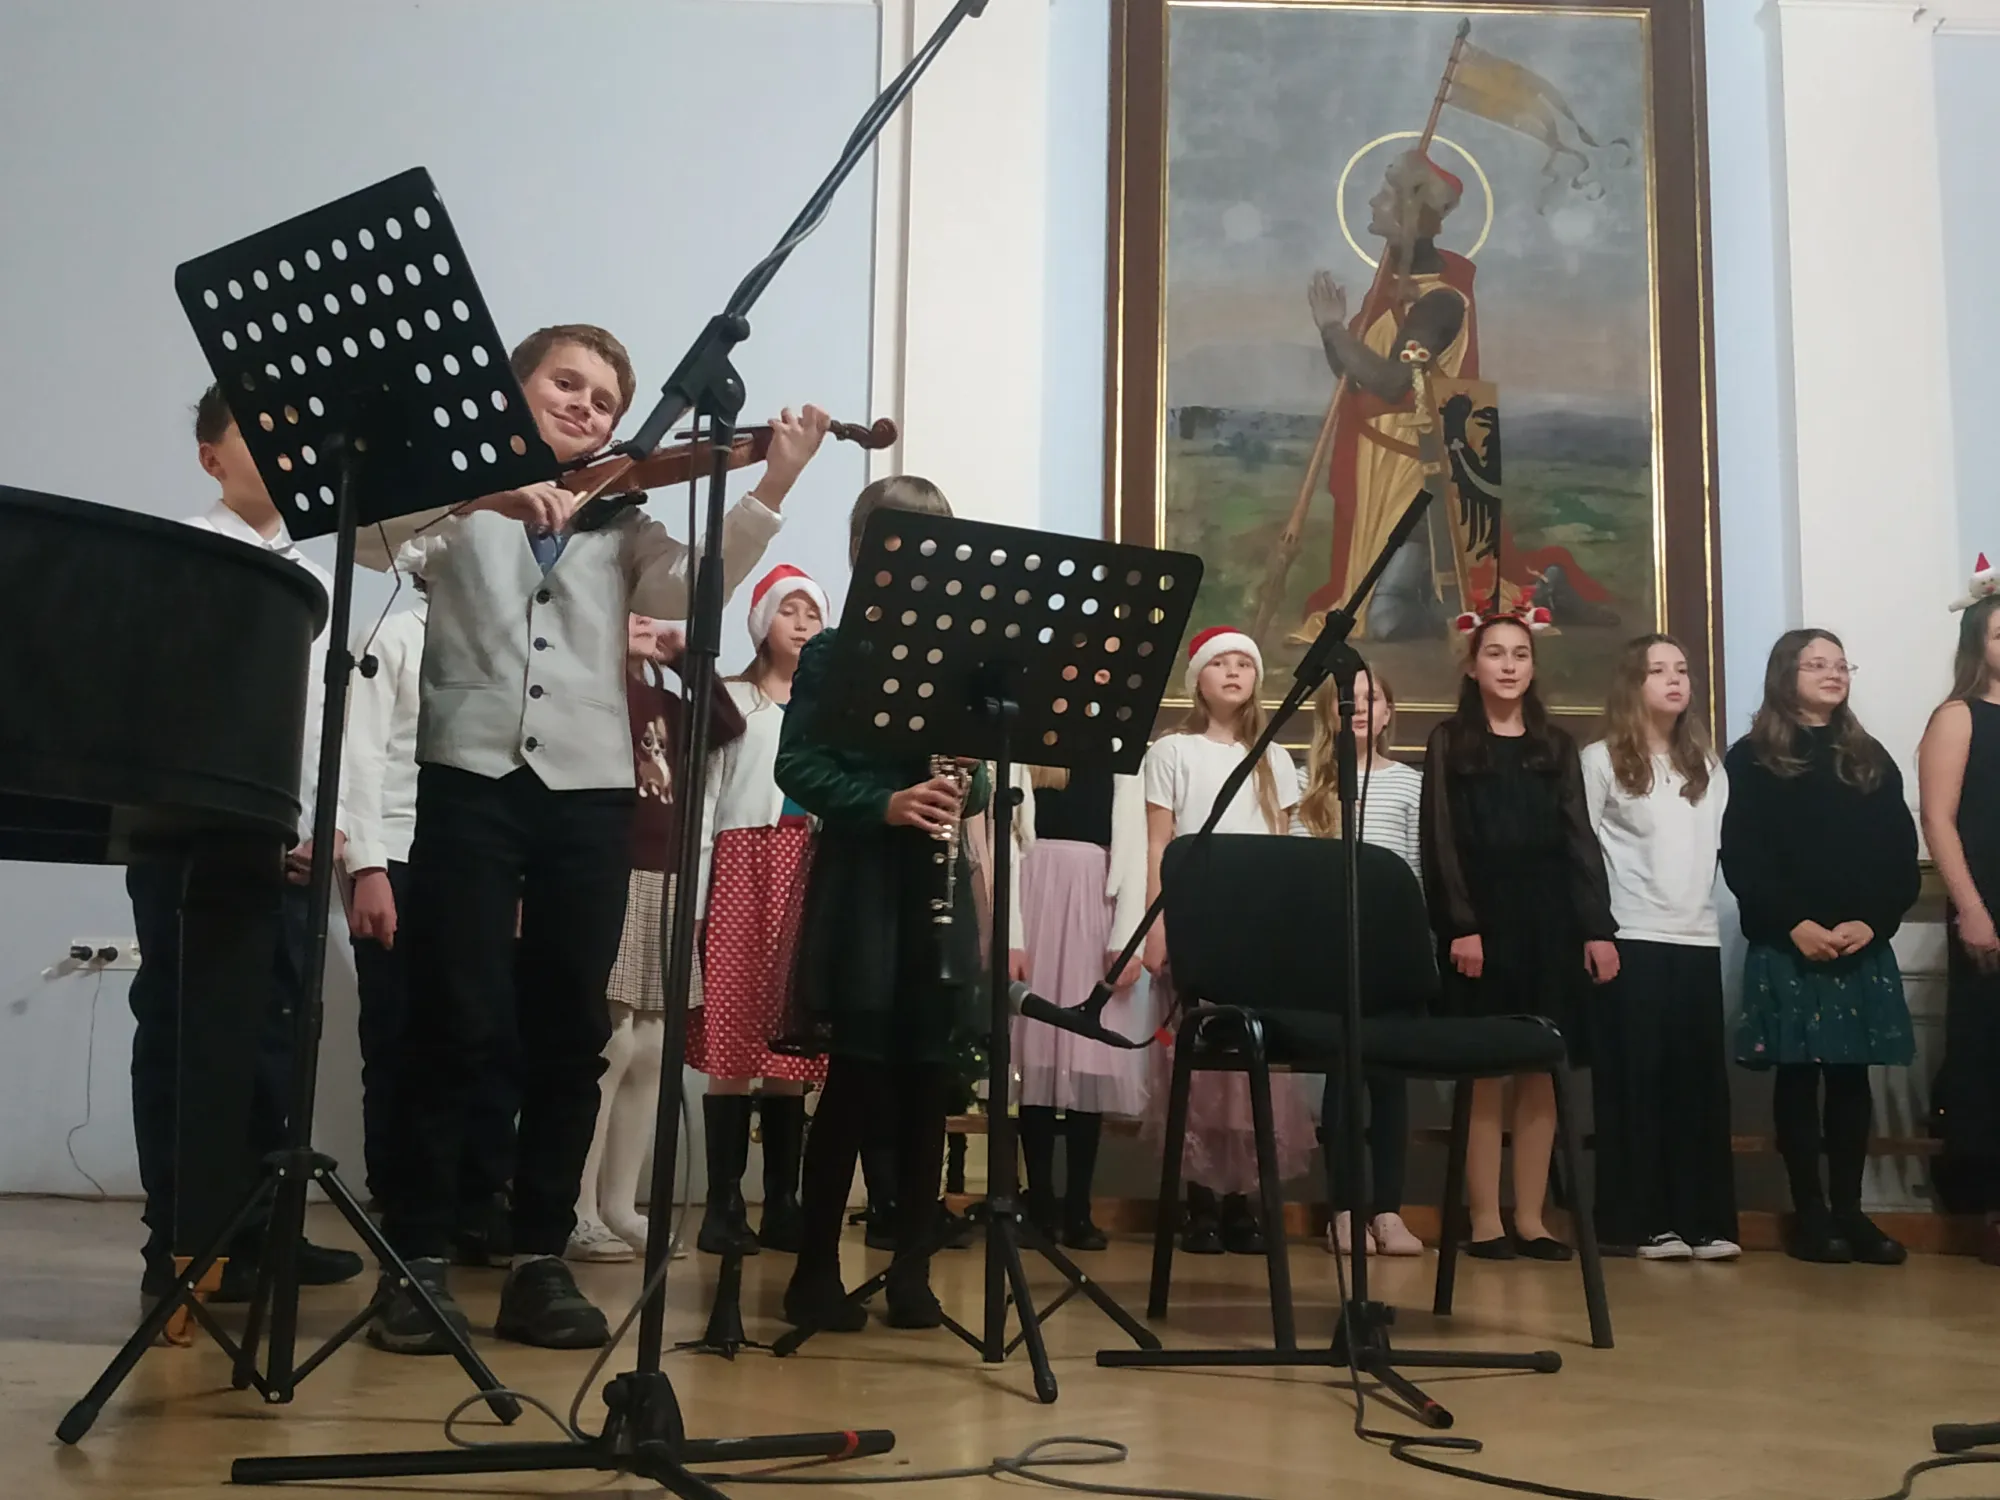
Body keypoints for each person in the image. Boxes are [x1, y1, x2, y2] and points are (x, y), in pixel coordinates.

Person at [354, 321, 830, 1352]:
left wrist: (774, 481)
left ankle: (540, 1257)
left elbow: (692, 587)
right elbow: (370, 541)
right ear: (517, 391)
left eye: (603, 400)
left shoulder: (623, 520)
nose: (584, 406)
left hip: (589, 793)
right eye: (564, 384)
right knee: (451, 1018)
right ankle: (419, 1256)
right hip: (469, 778)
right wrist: (482, 494)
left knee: (571, 1027)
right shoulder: (459, 504)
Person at [128, 385, 364, 1309]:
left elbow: (321, 722)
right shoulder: (181, 554)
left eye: (295, 436)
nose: (285, 451)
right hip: (199, 837)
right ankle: (180, 1240)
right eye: (259, 435)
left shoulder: (321, 576)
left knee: (277, 1036)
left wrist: (326, 822)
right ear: (211, 458)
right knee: (188, 1031)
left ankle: (266, 1231)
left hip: (290, 839)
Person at [776, 476, 986, 1333]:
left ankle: (911, 1271)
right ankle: (814, 1271)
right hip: (864, 877)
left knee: (930, 1078)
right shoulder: (834, 653)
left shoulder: (961, 657)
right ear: (861, 550)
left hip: (935, 880)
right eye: (896, 543)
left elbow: (981, 778)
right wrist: (888, 802)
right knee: (858, 1076)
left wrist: (964, 787)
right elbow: (798, 765)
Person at [1420, 610, 1618, 1261]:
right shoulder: (1450, 740)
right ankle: (1485, 1220)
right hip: (1480, 926)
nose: (1508, 665)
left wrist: (1596, 928)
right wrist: (1461, 926)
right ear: (1472, 665)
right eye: (1496, 653)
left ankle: (1531, 1218)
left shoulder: (1555, 745)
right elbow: (1440, 840)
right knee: (1484, 1073)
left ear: (1533, 667)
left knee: (1540, 1069)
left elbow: (1579, 841)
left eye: (1520, 654)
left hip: (1549, 923)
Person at [1721, 629, 1919, 1265]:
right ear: (1786, 674)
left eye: (1840, 664)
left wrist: (1874, 922)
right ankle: (1809, 1215)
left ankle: (1850, 1212)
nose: (1834, 674)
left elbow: (1900, 853)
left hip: (1860, 942)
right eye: (1817, 664)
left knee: (1852, 1077)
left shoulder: (1868, 756)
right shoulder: (1750, 759)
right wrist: (1792, 925)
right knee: (1799, 1075)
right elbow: (1742, 857)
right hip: (1791, 942)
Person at [343, 574, 521, 1268]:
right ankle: (400, 1198)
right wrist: (367, 866)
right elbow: (360, 754)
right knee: (397, 1030)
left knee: (489, 1028)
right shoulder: (392, 636)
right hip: (396, 852)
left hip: (476, 855)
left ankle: (479, 1197)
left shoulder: (500, 646)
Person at [566, 613, 745, 1263]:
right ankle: (575, 1208)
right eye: (630, 609)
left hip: (666, 879)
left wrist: (687, 662)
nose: (644, 621)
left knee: (652, 1045)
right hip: (611, 870)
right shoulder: (588, 688)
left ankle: (620, 1204)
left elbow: (726, 726)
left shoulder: (666, 702)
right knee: (609, 1044)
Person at [1141, 627, 1316, 1255]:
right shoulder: (1172, 751)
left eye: (1245, 663)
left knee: (1250, 1068)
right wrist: (1157, 923)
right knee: (1198, 1063)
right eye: (1222, 663)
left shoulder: (1273, 758)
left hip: (1256, 921)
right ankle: (1200, 1204)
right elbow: (1157, 844)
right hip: (1197, 915)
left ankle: (1245, 1203)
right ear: (1199, 680)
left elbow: (1284, 849)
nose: (1235, 672)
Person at [684, 565, 832, 1256]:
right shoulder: (733, 700)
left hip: (808, 866)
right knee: (735, 1030)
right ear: (761, 621)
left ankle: (783, 1201)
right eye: (788, 611)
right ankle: (722, 1205)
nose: (801, 625)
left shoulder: (829, 709)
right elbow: (706, 799)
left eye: (812, 613)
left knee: (791, 1038)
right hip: (743, 869)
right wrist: (698, 897)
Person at [1580, 635, 1739, 1261]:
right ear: (1632, 683)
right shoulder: (1601, 760)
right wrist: (1596, 932)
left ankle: (1704, 1219)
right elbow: (1581, 854)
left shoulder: (1707, 765)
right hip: (1631, 937)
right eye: (1658, 670)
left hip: (1696, 937)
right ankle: (1641, 1221)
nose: (1675, 680)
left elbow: (1716, 849)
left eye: (1682, 669)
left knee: (1697, 1087)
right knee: (1636, 1084)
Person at [1294, 668, 1425, 1258]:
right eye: (1349, 700)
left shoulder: (1409, 784)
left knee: (1390, 1079)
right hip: (1330, 950)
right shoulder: (1308, 784)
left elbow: (1417, 870)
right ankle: (1345, 1211)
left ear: (1390, 711)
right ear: (1330, 712)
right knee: (1342, 1080)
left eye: (1374, 698)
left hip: (1391, 951)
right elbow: (1297, 870)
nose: (1363, 708)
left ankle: (1389, 1210)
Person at [1009, 765, 1148, 1250]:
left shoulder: (1121, 756)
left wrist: (1128, 937)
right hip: (1034, 895)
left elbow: (1136, 848)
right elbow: (1006, 839)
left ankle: (1079, 1207)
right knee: (1038, 1055)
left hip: (1094, 902)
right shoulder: (1026, 751)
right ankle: (1040, 1203)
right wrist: (1011, 935)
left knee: (1088, 1060)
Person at [1920, 563, 2000, 1262]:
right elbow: (1939, 820)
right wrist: (1971, 908)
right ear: (1978, 643)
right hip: (1988, 902)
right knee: (1989, 1051)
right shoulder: (1959, 716)